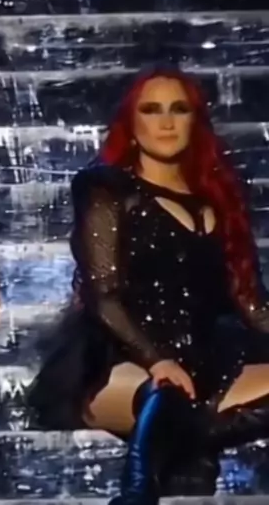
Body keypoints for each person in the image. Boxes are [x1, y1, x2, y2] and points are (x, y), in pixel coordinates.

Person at [27, 66, 269, 504]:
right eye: (151, 110)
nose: (167, 122)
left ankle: (193, 440)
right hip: (122, 357)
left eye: (179, 109)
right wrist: (156, 361)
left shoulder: (218, 198)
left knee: (186, 401)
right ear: (132, 124)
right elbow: (103, 294)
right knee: (168, 395)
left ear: (195, 121)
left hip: (211, 361)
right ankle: (136, 495)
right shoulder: (106, 187)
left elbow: (250, 301)